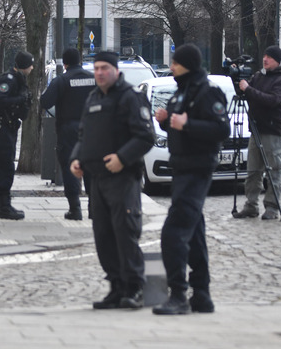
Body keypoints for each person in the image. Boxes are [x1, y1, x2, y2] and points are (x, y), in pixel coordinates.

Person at [68, 51, 154, 309]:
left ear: (116, 70)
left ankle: (134, 287)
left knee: (124, 232)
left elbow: (145, 136)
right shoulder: (93, 97)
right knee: (103, 236)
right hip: (96, 179)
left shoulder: (130, 97)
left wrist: (122, 158)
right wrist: (76, 159)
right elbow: (83, 135)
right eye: (96, 68)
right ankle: (116, 287)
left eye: (105, 68)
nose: (100, 72)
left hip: (122, 177)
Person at [152, 44, 230, 315]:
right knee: (194, 233)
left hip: (198, 169)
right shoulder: (182, 91)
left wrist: (186, 124)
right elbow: (179, 124)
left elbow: (221, 128)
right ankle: (202, 295)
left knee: (173, 232)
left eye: (175, 62)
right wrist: (166, 121)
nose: (171, 66)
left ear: (187, 64)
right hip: (181, 168)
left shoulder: (208, 91)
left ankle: (178, 295)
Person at [234, 45, 281, 220]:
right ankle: (251, 205)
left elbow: (272, 100)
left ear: (277, 60)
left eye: (270, 57)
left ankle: (272, 207)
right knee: (253, 171)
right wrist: (236, 78)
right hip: (256, 130)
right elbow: (243, 93)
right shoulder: (258, 76)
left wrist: (248, 89)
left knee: (273, 170)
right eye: (264, 56)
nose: (265, 59)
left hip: (272, 131)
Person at [40, 47, 97, 220]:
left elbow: (45, 101)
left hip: (68, 129)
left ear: (64, 63)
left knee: (71, 167)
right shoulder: (93, 78)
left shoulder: (62, 80)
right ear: (80, 60)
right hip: (92, 128)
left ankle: (75, 208)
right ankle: (94, 209)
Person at [0, 51, 34, 220]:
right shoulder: (9, 80)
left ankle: (5, 205)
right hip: (2, 128)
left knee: (7, 165)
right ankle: (4, 206)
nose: (32, 68)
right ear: (24, 66)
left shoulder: (17, 79)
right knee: (4, 166)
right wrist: (19, 100)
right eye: (30, 65)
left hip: (9, 127)